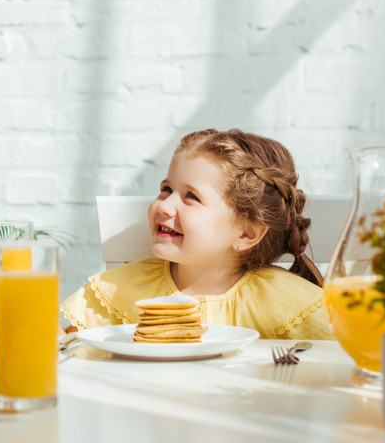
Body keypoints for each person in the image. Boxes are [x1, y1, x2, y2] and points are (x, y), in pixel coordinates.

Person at [59, 128, 334, 339]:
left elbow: (340, 359)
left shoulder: (282, 301)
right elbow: (72, 349)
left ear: (247, 234)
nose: (164, 205)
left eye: (191, 196)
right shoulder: (122, 288)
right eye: (166, 189)